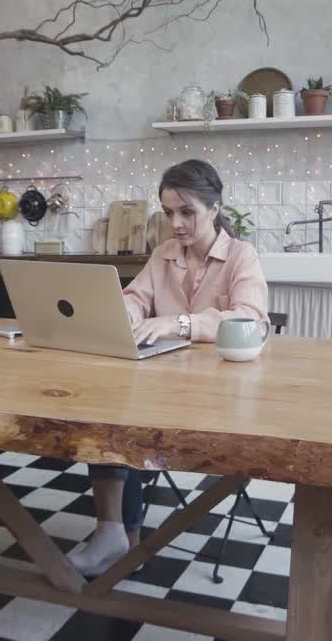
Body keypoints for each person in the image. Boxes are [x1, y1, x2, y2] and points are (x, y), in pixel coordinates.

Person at [65, 159, 269, 576]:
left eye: (187, 212)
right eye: (169, 212)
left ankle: (122, 540)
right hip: (161, 387)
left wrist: (177, 322)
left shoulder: (241, 256)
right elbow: (136, 297)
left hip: (221, 397)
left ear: (214, 208)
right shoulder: (163, 254)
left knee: (126, 420)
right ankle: (113, 535)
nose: (176, 223)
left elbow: (250, 317)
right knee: (108, 412)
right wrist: (120, 310)